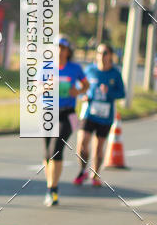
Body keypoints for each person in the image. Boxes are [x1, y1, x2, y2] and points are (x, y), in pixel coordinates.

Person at [43, 36, 89, 207]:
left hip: (68, 114)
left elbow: (86, 85)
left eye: (63, 48)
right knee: (47, 154)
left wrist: (77, 91)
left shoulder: (75, 68)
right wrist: (47, 87)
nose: (60, 51)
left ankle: (53, 190)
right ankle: (50, 185)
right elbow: (36, 87)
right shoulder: (46, 67)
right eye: (57, 47)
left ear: (68, 51)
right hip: (48, 113)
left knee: (56, 149)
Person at [74, 43, 125, 188]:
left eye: (105, 53)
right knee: (82, 142)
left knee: (98, 147)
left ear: (110, 55)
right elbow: (80, 87)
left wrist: (109, 92)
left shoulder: (115, 73)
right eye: (99, 53)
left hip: (105, 115)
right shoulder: (90, 70)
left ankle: (95, 175)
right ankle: (82, 170)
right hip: (89, 112)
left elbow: (122, 93)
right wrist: (83, 95)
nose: (101, 56)